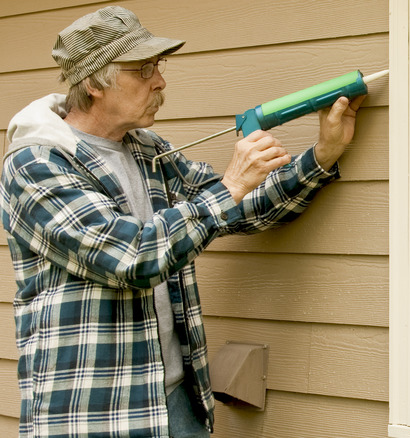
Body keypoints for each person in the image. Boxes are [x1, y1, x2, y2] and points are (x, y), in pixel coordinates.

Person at [0, 6, 365, 437]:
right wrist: (229, 186)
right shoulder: (36, 163)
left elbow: (239, 209)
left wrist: (323, 155)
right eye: (143, 69)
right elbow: (131, 258)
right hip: (93, 413)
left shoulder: (147, 151)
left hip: (174, 403)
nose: (160, 80)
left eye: (158, 65)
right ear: (94, 81)